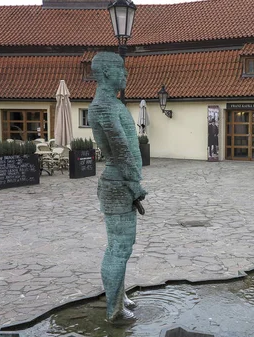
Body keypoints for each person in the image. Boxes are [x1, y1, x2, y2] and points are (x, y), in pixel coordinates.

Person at [88, 52, 147, 321]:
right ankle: (114, 311)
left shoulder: (110, 103)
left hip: (119, 181)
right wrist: (134, 184)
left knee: (122, 245)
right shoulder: (104, 106)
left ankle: (118, 294)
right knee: (119, 248)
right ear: (108, 73)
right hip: (118, 183)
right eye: (121, 69)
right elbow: (121, 148)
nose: (126, 74)